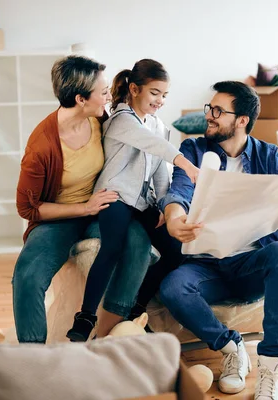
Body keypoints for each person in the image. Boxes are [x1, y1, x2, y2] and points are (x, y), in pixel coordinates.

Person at [157, 81, 278, 400]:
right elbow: (179, 191)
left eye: (218, 111)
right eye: (209, 108)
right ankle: (231, 347)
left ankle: (271, 366)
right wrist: (175, 217)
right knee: (173, 288)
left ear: (242, 120)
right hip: (208, 268)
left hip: (252, 265)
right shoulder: (193, 151)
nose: (209, 116)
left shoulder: (270, 157)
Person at [13, 55, 153, 344]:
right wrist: (83, 207)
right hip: (59, 218)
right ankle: (32, 356)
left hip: (100, 210)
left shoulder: (99, 118)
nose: (108, 97)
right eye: (102, 93)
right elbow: (27, 207)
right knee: (27, 275)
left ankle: (112, 329)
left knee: (138, 241)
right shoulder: (41, 147)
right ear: (80, 98)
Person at [66, 59, 200, 341]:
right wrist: (185, 163)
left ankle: (137, 308)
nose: (160, 100)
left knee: (178, 251)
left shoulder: (158, 125)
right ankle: (86, 316)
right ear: (135, 89)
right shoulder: (121, 120)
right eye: (154, 93)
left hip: (142, 203)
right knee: (112, 247)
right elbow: (152, 145)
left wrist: (165, 204)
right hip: (114, 196)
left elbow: (160, 171)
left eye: (164, 95)